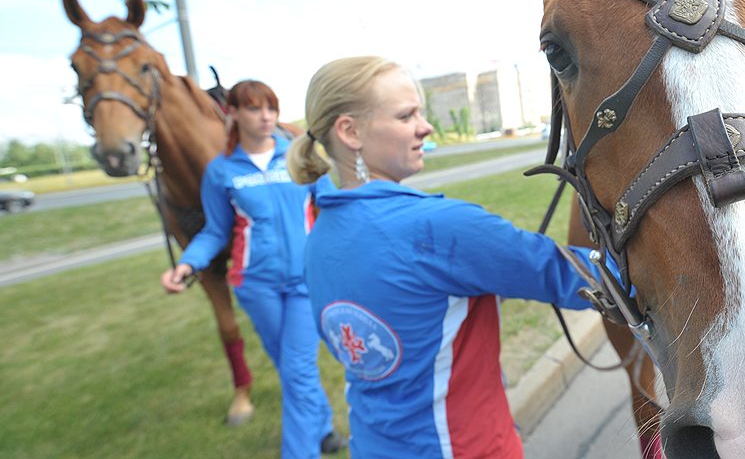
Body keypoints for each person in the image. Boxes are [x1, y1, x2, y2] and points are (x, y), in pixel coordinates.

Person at [285, 56, 617, 458]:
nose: (425, 127)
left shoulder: (318, 237)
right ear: (350, 131)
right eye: (406, 115)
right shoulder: (436, 228)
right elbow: (572, 276)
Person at [160, 80, 346, 457]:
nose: (266, 117)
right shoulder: (220, 171)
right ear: (233, 113)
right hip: (255, 286)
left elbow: (332, 204)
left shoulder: (300, 154)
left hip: (304, 283)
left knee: (297, 369)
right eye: (254, 109)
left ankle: (299, 451)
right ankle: (324, 428)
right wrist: (186, 264)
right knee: (290, 367)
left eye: (271, 108)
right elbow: (215, 230)